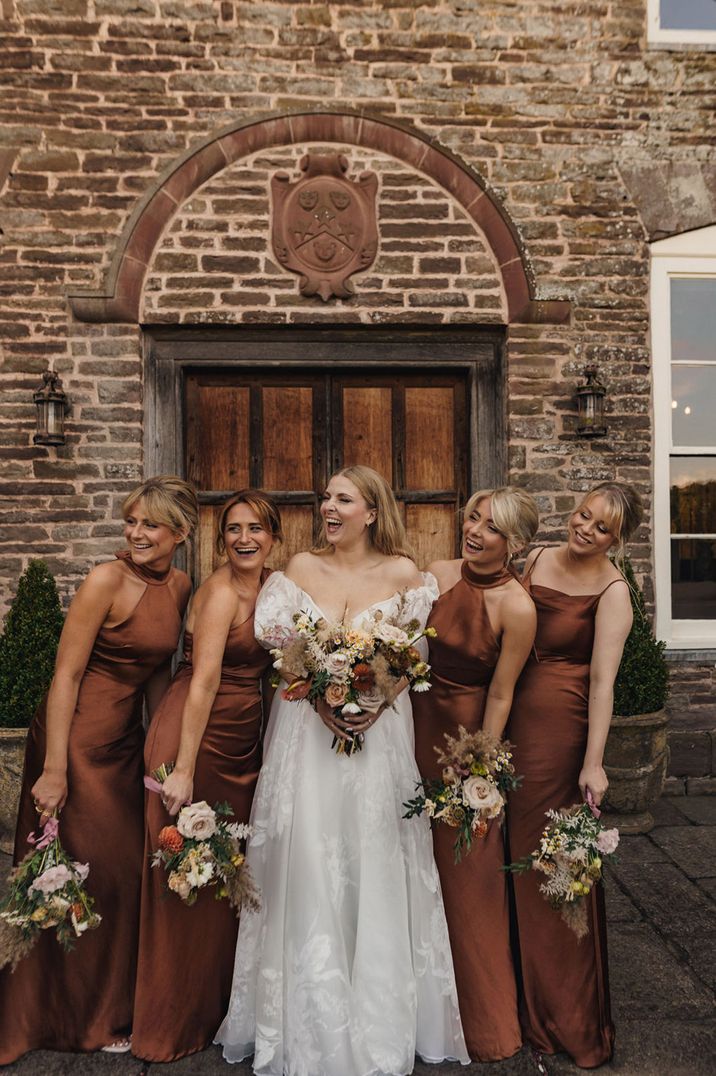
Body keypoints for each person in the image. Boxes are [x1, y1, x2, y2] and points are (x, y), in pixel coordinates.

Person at [216, 465, 468, 1075]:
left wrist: (374, 704)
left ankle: (379, 1019)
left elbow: (411, 661)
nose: (328, 507)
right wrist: (319, 695)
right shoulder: (298, 570)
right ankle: (306, 1019)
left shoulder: (406, 575)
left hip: (379, 740)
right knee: (308, 858)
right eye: (326, 498)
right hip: (306, 735)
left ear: (372, 511)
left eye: (343, 499)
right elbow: (281, 654)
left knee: (377, 857)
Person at [0, 475, 197, 1065]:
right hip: (76, 743)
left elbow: (159, 673)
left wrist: (161, 754)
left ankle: (111, 1006)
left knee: (124, 875)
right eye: (131, 520)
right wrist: (54, 769)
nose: (135, 533)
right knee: (89, 873)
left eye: (150, 525)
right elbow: (64, 676)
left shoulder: (182, 584)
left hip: (125, 744)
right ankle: (69, 1020)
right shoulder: (105, 581)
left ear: (180, 535)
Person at [132, 489, 282, 1062]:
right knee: (184, 876)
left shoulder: (273, 586)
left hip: (241, 742)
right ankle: (171, 1024)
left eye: (255, 529)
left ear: (273, 536)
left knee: (225, 877)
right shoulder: (220, 593)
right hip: (196, 735)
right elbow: (202, 681)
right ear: (221, 541)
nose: (244, 539)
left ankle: (218, 1010)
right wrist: (186, 768)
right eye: (233, 530)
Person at [507, 481, 643, 1069]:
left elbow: (602, 684)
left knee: (549, 866)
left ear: (618, 539)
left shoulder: (613, 593)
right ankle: (508, 1002)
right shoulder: (534, 559)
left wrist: (593, 760)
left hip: (559, 733)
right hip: (506, 718)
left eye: (602, 527)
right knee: (504, 854)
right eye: (584, 515)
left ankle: (563, 1015)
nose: (585, 529)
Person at [413, 487, 538, 1062]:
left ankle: (483, 1023)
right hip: (407, 727)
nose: (474, 531)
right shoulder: (436, 573)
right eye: (472, 517)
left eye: (490, 527)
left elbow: (502, 693)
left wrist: (478, 768)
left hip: (461, 743)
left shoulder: (517, 607)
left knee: (467, 877)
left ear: (513, 543)